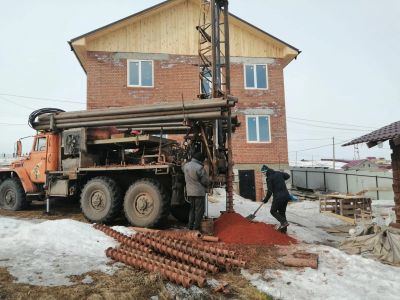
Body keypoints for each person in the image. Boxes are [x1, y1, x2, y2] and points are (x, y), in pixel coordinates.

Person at [182, 152, 210, 230]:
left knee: (192, 210)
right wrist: (209, 182)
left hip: (190, 192)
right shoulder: (199, 167)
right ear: (200, 159)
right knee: (199, 211)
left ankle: (190, 226)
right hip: (199, 193)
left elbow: (182, 167)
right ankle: (196, 228)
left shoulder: (185, 166)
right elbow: (205, 181)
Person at [261, 165, 291, 232]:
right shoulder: (278, 173)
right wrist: (281, 178)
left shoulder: (269, 178)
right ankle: (284, 230)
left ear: (266, 171)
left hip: (278, 197)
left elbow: (269, 191)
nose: (263, 174)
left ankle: (284, 222)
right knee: (282, 213)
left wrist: (265, 199)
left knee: (273, 211)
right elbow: (288, 176)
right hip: (286, 196)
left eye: (263, 172)